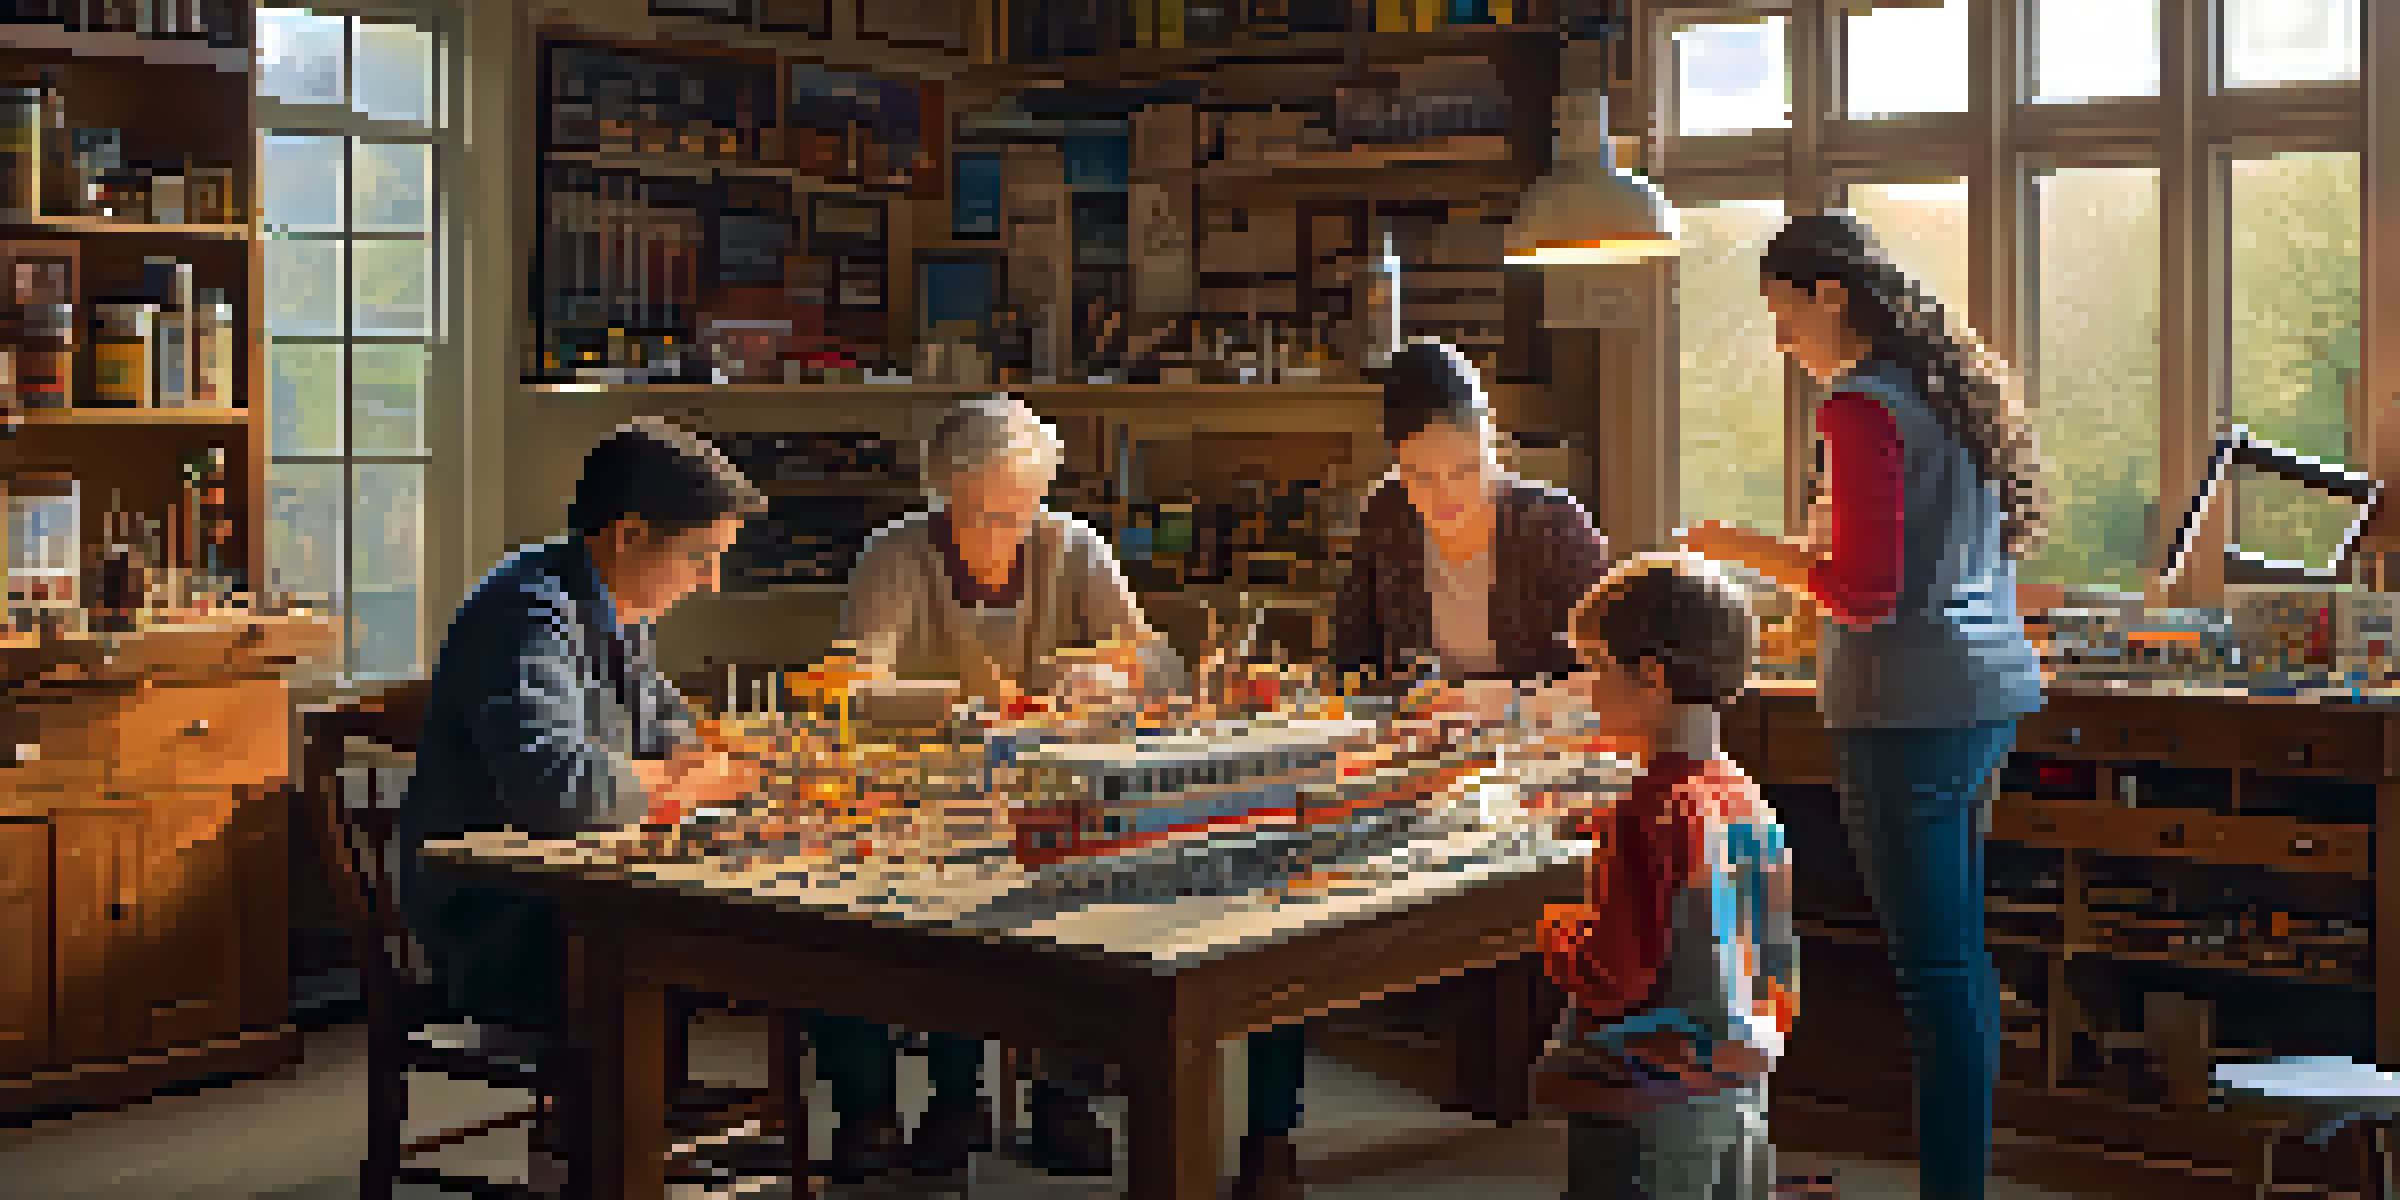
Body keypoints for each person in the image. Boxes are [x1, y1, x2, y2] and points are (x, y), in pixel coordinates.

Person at [1677, 212, 2047, 1200]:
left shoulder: (1858, 407)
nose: (1782, 338)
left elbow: (1864, 593)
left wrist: (1731, 546)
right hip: (1984, 696)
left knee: (1934, 973)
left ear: (1830, 293)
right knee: (1959, 963)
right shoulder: (1944, 392)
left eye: (1783, 313)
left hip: (1907, 711)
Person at [814, 391, 1183, 1182]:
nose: (996, 534)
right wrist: (950, 704)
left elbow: (1161, 665)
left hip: (1050, 790)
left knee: (1093, 895)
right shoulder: (896, 555)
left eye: (1016, 513)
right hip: (918, 792)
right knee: (848, 919)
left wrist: (1106, 674)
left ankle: (1062, 1096)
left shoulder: (1071, 547)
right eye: (974, 513)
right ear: (940, 495)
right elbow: (850, 685)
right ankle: (894, 1106)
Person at [396, 418, 767, 1186]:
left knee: (761, 914)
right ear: (628, 535)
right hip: (500, 918)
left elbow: (676, 740)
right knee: (755, 937)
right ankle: (616, 1142)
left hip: (573, 896)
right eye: (701, 558)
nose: (710, 583)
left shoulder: (615, 611)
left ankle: (638, 1125)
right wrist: (685, 782)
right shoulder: (529, 613)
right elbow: (559, 791)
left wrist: (679, 770)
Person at [1532, 554, 1797, 1200]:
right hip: (1738, 1096)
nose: (1586, 686)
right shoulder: (1745, 797)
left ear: (1650, 675)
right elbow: (1777, 974)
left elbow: (1614, 976)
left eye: (1595, 666)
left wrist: (1557, 933)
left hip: (1646, 1105)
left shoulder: (1646, 812)